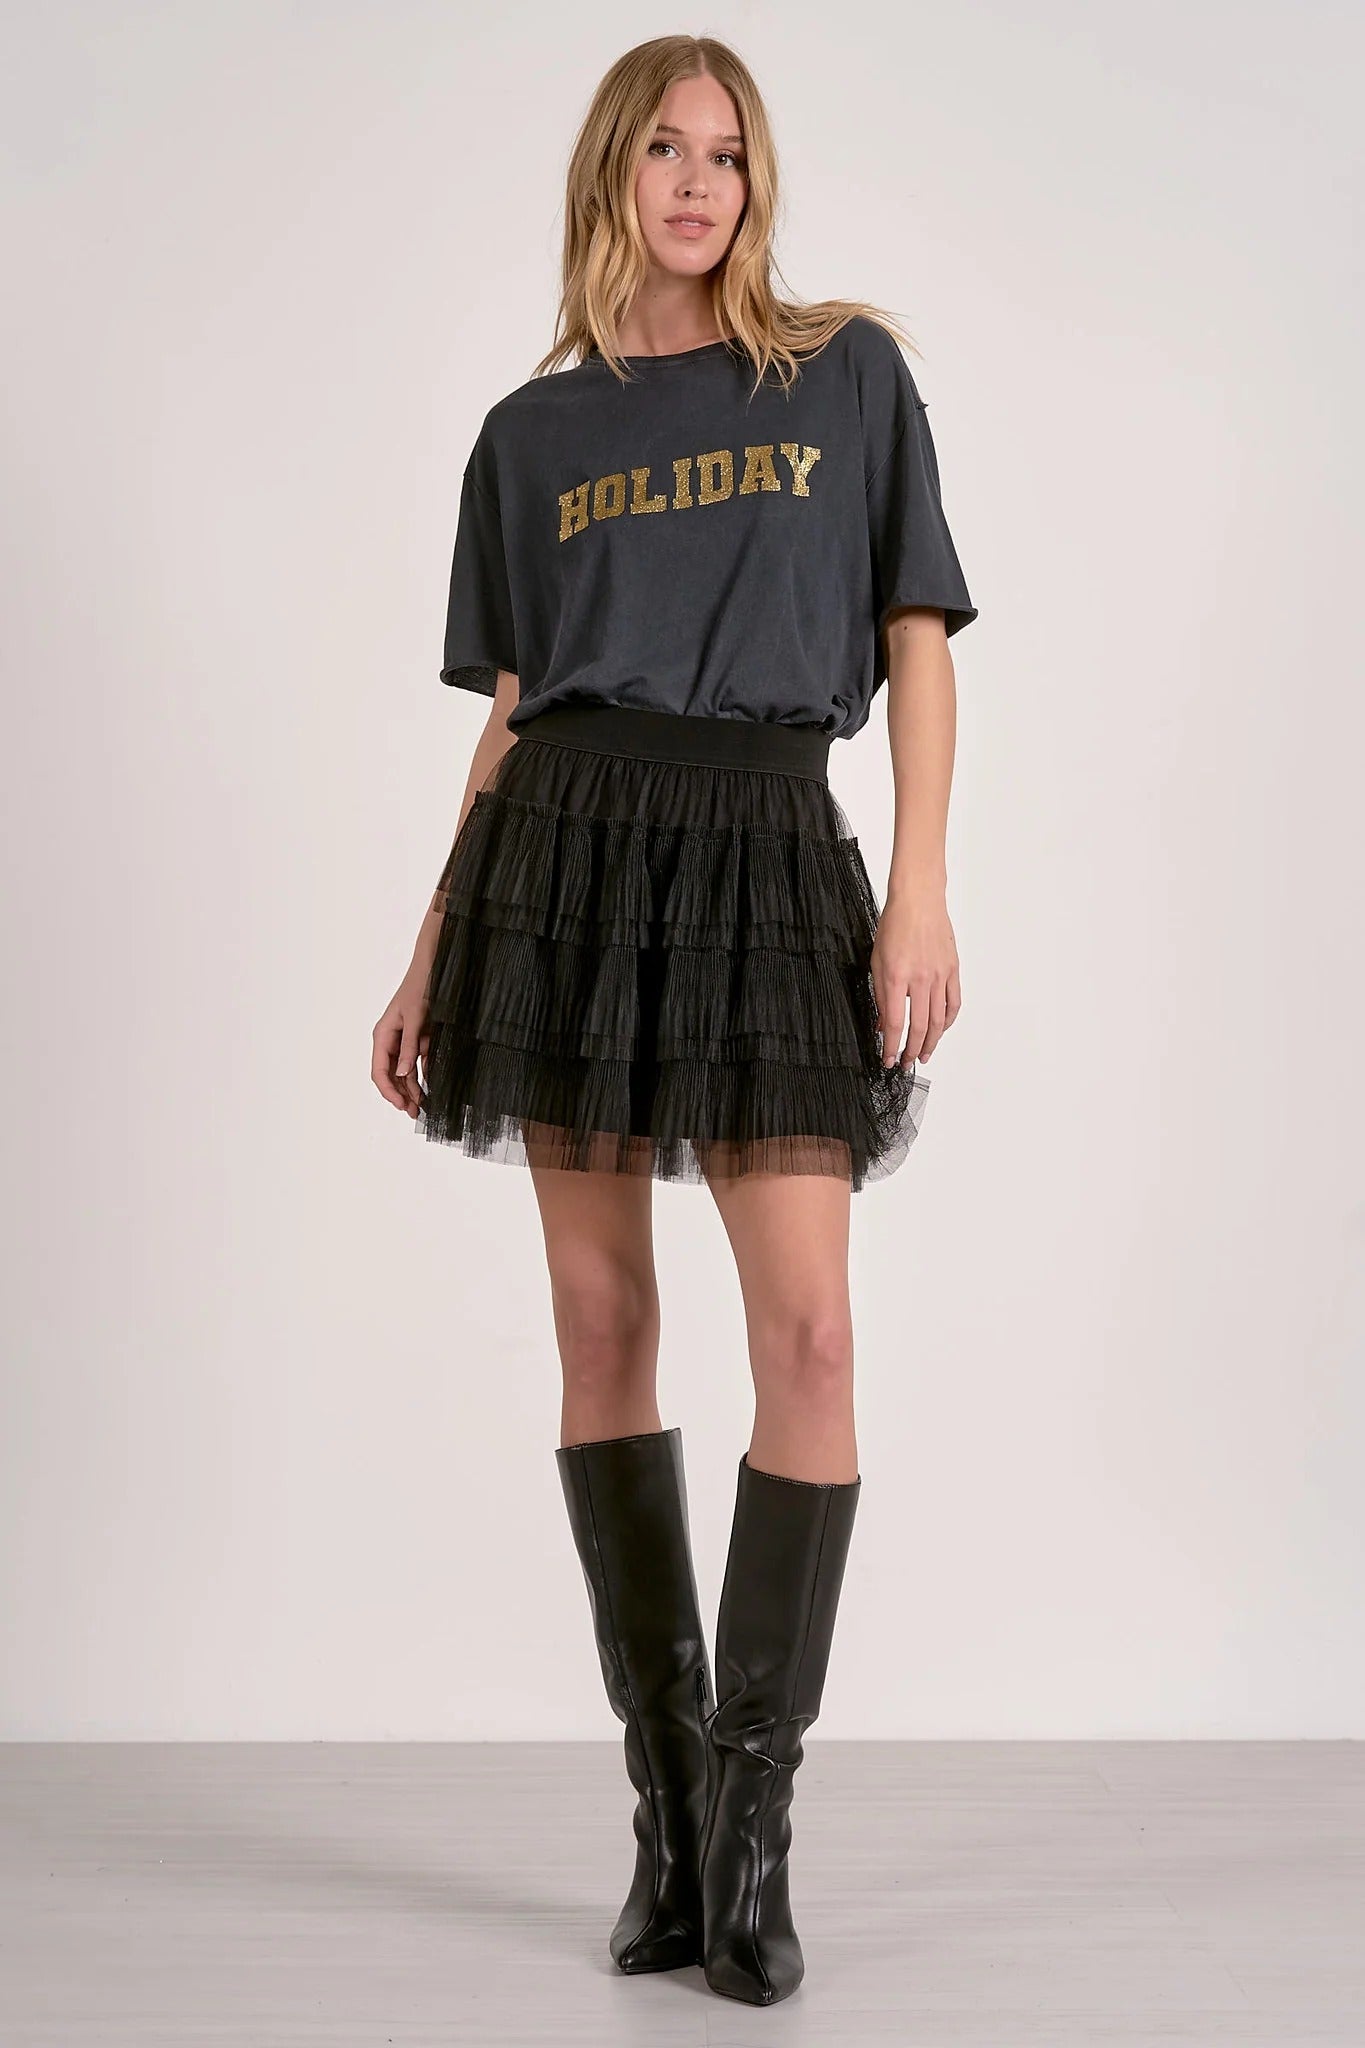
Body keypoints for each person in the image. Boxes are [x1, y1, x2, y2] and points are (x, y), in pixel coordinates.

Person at [371, 32, 977, 2009]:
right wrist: (431, 942)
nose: (698, 181)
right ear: (609, 176)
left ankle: (752, 1826)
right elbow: (515, 709)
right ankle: (666, 1818)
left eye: (726, 151)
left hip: (764, 850)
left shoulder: (844, 376)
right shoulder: (527, 436)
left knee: (810, 1331)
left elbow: (912, 639)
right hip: (564, 860)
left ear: (754, 178)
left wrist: (917, 882)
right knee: (599, 1318)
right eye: (662, 149)